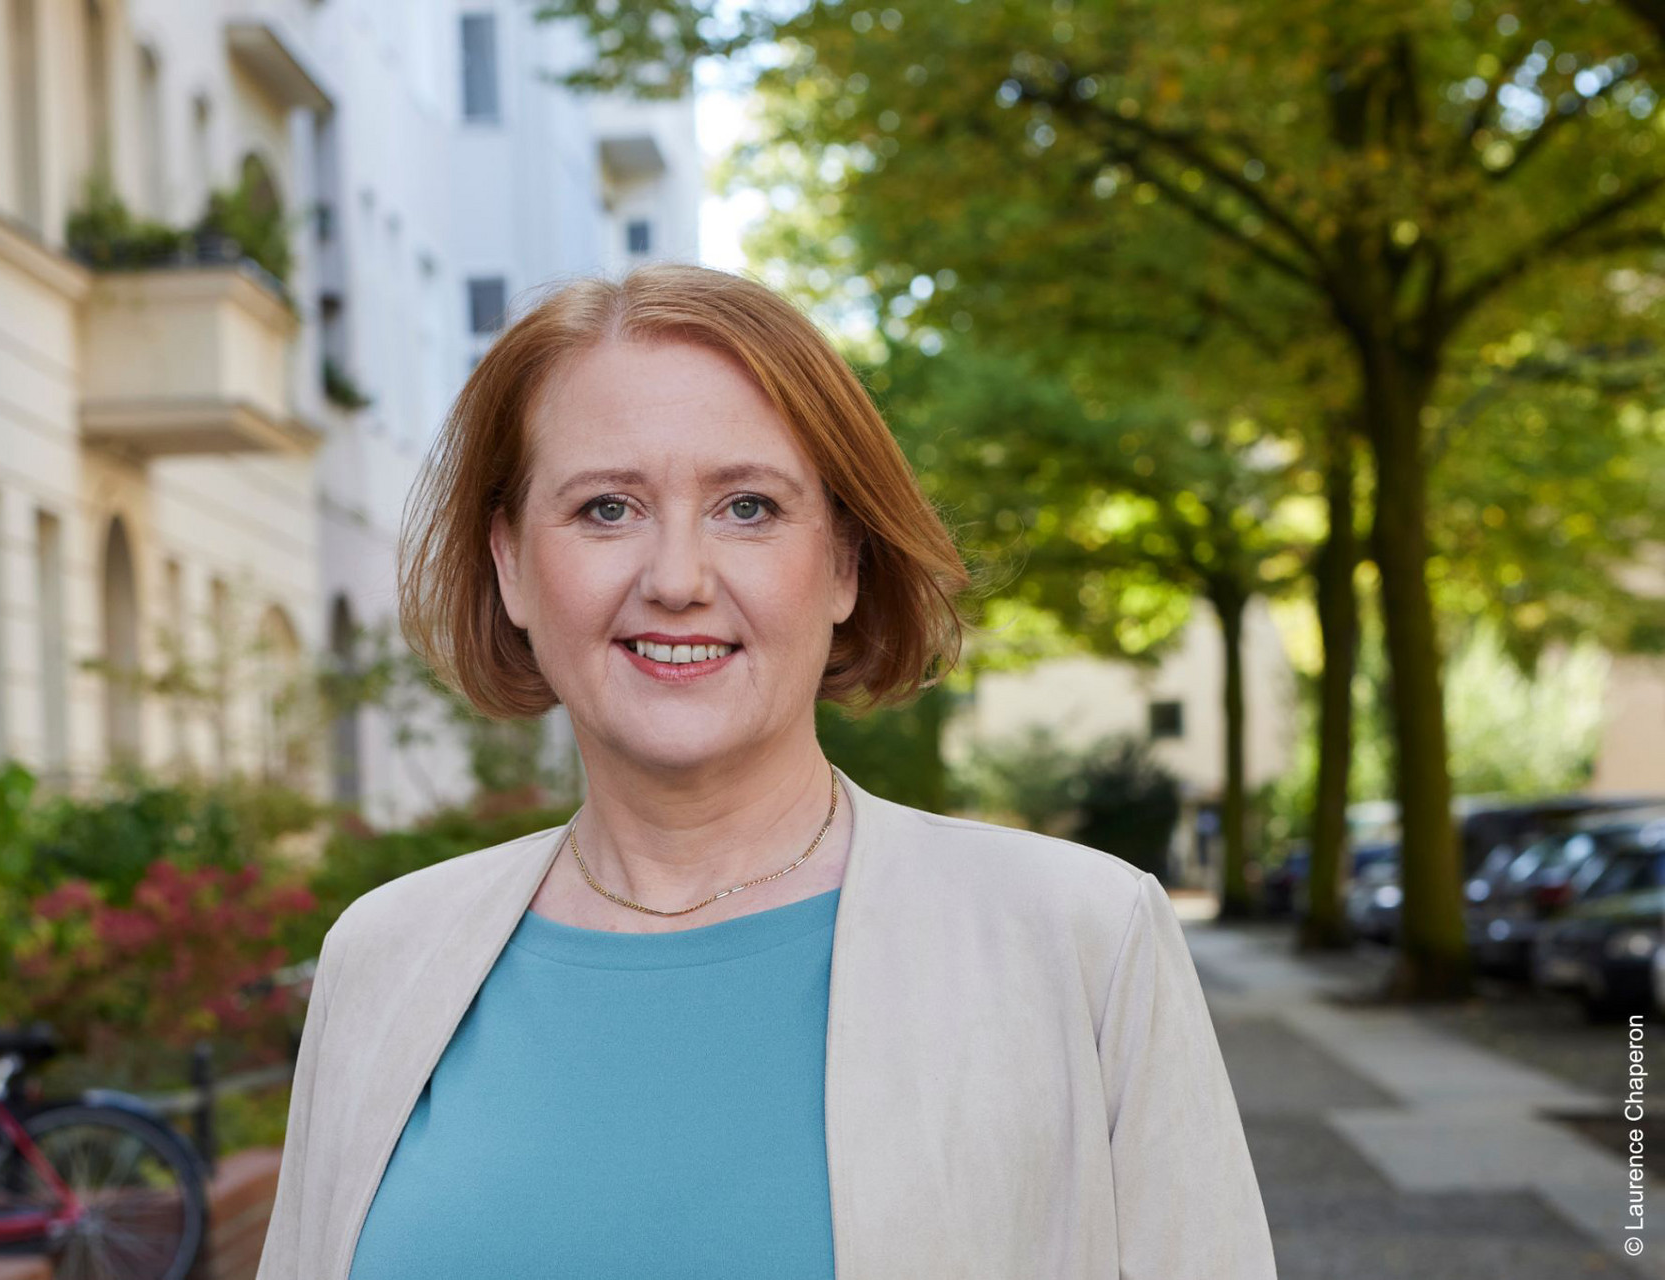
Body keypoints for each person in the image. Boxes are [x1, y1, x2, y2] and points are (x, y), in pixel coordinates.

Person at [255, 263, 1277, 1280]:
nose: (676, 578)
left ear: (844, 564)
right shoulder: (383, 960)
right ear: (512, 563)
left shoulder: (1083, 940)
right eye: (607, 508)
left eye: (747, 506)